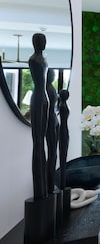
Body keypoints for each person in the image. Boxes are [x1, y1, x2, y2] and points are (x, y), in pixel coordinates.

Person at [28, 33, 49, 200]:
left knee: (44, 141)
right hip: (37, 98)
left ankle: (46, 185)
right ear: (35, 42)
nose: (43, 43)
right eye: (40, 40)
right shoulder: (33, 59)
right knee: (38, 142)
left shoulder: (43, 59)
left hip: (45, 99)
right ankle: (39, 189)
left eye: (44, 40)